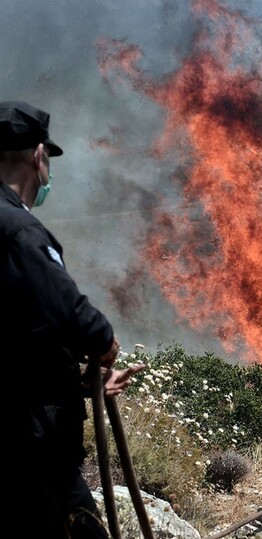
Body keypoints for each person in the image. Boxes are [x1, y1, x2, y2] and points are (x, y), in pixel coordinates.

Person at [0, 100, 145, 538]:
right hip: (32, 443)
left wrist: (84, 385)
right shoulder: (19, 230)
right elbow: (68, 309)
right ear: (37, 156)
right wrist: (104, 344)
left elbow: (17, 336)